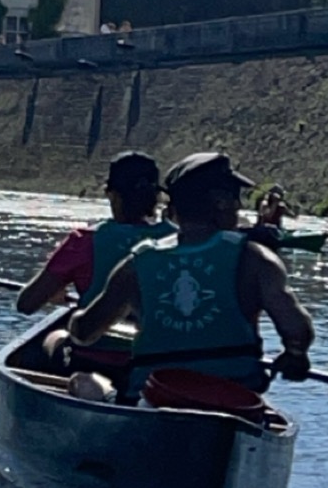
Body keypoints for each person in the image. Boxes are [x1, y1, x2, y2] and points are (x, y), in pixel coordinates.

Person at [67, 150, 314, 400]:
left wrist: (74, 319)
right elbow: (297, 330)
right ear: (220, 202)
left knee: (82, 381)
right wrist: (295, 355)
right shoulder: (256, 259)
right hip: (235, 398)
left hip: (155, 399)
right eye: (236, 197)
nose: (239, 206)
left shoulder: (137, 263)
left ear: (175, 210)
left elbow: (84, 333)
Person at [16, 151, 170, 317]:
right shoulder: (176, 238)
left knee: (64, 331)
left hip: (98, 330)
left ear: (111, 194)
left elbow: (26, 304)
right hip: (159, 330)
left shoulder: (83, 241)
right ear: (155, 197)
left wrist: (56, 292)